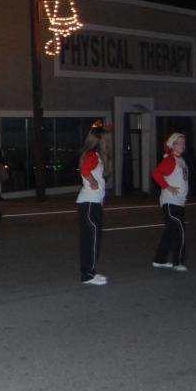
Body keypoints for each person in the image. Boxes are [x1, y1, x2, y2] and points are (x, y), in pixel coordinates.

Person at [76, 120, 112, 286]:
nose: (107, 142)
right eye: (105, 139)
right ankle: (88, 274)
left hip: (90, 203)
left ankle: (88, 271)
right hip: (90, 203)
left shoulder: (94, 155)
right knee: (93, 239)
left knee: (89, 240)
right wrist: (92, 181)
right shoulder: (91, 155)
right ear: (100, 140)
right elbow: (84, 170)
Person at [152, 132, 189, 272]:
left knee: (170, 232)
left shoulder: (181, 160)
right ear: (172, 145)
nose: (183, 145)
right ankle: (178, 262)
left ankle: (159, 260)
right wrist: (167, 187)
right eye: (179, 142)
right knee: (180, 230)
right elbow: (156, 173)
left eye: (184, 142)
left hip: (178, 203)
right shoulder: (170, 160)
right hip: (170, 202)